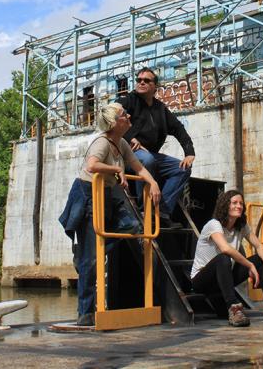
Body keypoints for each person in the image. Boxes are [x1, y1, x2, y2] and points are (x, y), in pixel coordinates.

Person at [59, 102, 161, 327]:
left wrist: (152, 182)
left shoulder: (121, 143)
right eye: (124, 114)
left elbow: (138, 166)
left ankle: (88, 253)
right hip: (87, 194)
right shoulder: (102, 142)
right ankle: (85, 313)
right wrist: (116, 170)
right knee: (91, 259)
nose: (129, 115)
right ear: (115, 123)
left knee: (132, 227)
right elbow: (93, 165)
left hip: (108, 195)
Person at [190, 190, 263, 327]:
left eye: (241, 203)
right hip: (202, 281)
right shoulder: (213, 224)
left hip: (223, 278)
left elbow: (259, 246)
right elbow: (225, 249)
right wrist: (249, 265)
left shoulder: (241, 226)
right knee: (224, 258)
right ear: (225, 205)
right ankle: (234, 309)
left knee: (259, 260)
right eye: (234, 203)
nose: (239, 206)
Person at [116, 67, 195, 227]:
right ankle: (144, 209)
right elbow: (112, 114)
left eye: (146, 80)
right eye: (139, 80)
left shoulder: (160, 108)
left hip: (150, 156)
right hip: (127, 155)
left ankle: (162, 211)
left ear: (155, 87)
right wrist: (130, 137)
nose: (142, 82)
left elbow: (178, 128)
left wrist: (189, 153)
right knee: (147, 159)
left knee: (182, 169)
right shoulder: (130, 100)